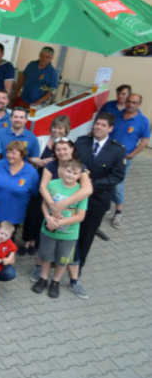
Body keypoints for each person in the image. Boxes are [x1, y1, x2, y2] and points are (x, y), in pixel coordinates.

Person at [68, 113, 126, 298]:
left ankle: (78, 266)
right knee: (69, 230)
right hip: (75, 196)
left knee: (87, 234)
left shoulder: (117, 150)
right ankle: (62, 259)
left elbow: (117, 176)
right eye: (97, 124)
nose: (98, 127)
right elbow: (72, 164)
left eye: (103, 125)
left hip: (97, 199)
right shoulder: (81, 142)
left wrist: (92, 184)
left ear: (110, 128)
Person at [32, 159, 88, 299]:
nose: (70, 175)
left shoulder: (81, 192)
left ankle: (55, 282)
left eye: (74, 173)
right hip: (49, 230)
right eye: (68, 171)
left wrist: (61, 222)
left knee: (62, 260)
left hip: (69, 234)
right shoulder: (52, 184)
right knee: (46, 257)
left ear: (79, 175)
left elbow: (80, 216)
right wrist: (47, 217)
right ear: (62, 170)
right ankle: (43, 278)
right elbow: (44, 204)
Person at [20, 116, 70, 255]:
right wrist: (40, 161)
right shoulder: (41, 140)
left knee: (44, 214)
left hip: (53, 186)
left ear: (66, 130)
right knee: (31, 213)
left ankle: (35, 241)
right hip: (37, 182)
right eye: (55, 127)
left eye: (60, 128)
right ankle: (25, 241)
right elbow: (28, 157)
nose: (56, 130)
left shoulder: (67, 146)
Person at [110, 93, 150, 228]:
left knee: (118, 185)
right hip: (109, 156)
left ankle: (118, 213)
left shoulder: (143, 121)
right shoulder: (117, 115)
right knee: (105, 180)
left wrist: (132, 154)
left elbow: (145, 141)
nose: (130, 105)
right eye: (128, 101)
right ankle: (105, 205)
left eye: (134, 102)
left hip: (124, 159)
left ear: (139, 104)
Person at [0, 141, 39, 225]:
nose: (10, 155)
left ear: (22, 155)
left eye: (14, 153)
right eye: (8, 152)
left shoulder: (31, 173)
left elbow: (34, 192)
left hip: (14, 216)